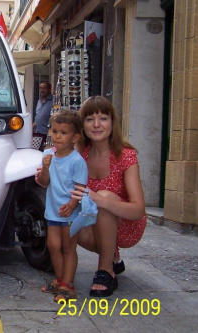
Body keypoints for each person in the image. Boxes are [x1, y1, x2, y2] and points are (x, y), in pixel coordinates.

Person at [48, 96, 146, 298]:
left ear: (112, 122)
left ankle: (105, 271)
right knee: (72, 227)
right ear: (81, 126)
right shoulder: (78, 155)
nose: (97, 124)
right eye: (90, 119)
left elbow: (138, 211)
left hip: (125, 224)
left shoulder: (125, 155)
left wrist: (100, 200)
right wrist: (45, 170)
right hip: (94, 223)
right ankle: (111, 254)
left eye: (103, 118)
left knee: (102, 197)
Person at [36, 110, 88, 302]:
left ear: (75, 137)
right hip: (52, 210)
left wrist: (72, 204)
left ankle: (68, 285)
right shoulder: (48, 154)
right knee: (52, 245)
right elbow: (43, 181)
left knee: (68, 247)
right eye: (55, 131)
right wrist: (46, 167)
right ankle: (60, 280)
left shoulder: (77, 161)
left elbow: (80, 187)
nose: (57, 136)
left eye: (63, 133)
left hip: (70, 213)